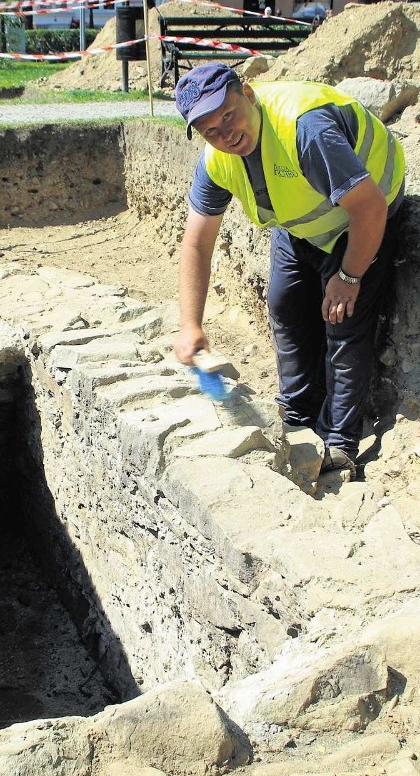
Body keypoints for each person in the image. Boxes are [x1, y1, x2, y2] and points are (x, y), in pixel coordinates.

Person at [173, 63, 405, 476]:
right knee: (285, 305)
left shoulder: (304, 129)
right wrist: (190, 324)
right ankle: (298, 418)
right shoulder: (216, 161)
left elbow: (369, 208)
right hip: (301, 223)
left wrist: (349, 277)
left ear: (247, 92)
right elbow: (196, 242)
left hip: (366, 214)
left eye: (228, 115)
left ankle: (339, 444)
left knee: (343, 321)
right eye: (210, 130)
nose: (225, 134)